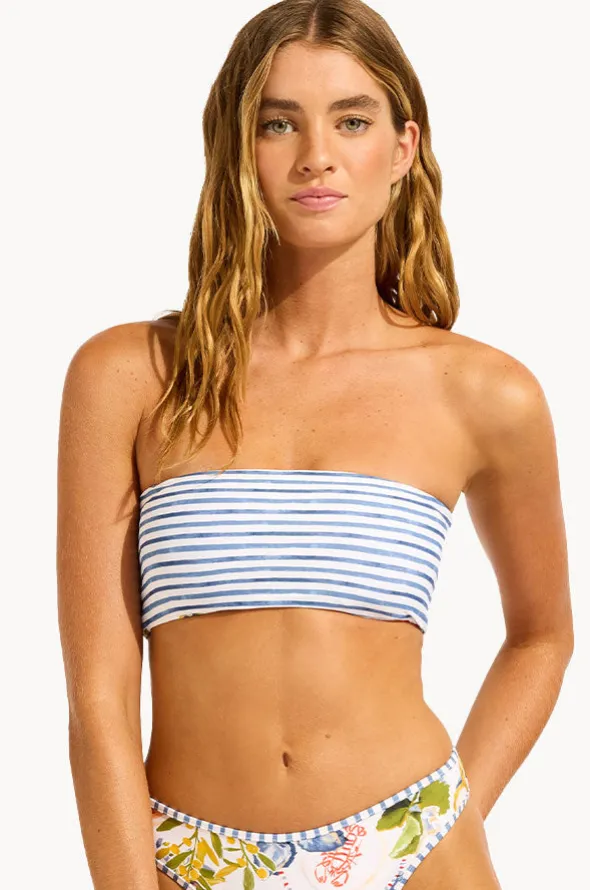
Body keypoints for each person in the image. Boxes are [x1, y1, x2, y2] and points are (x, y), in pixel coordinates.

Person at [56, 1, 574, 888]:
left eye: (352, 120)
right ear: (235, 145)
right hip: (189, 855)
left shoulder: (486, 393)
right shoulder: (131, 377)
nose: (316, 156)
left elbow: (542, 637)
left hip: (412, 847)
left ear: (404, 148)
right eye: (278, 123)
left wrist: (439, 819)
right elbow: (98, 699)